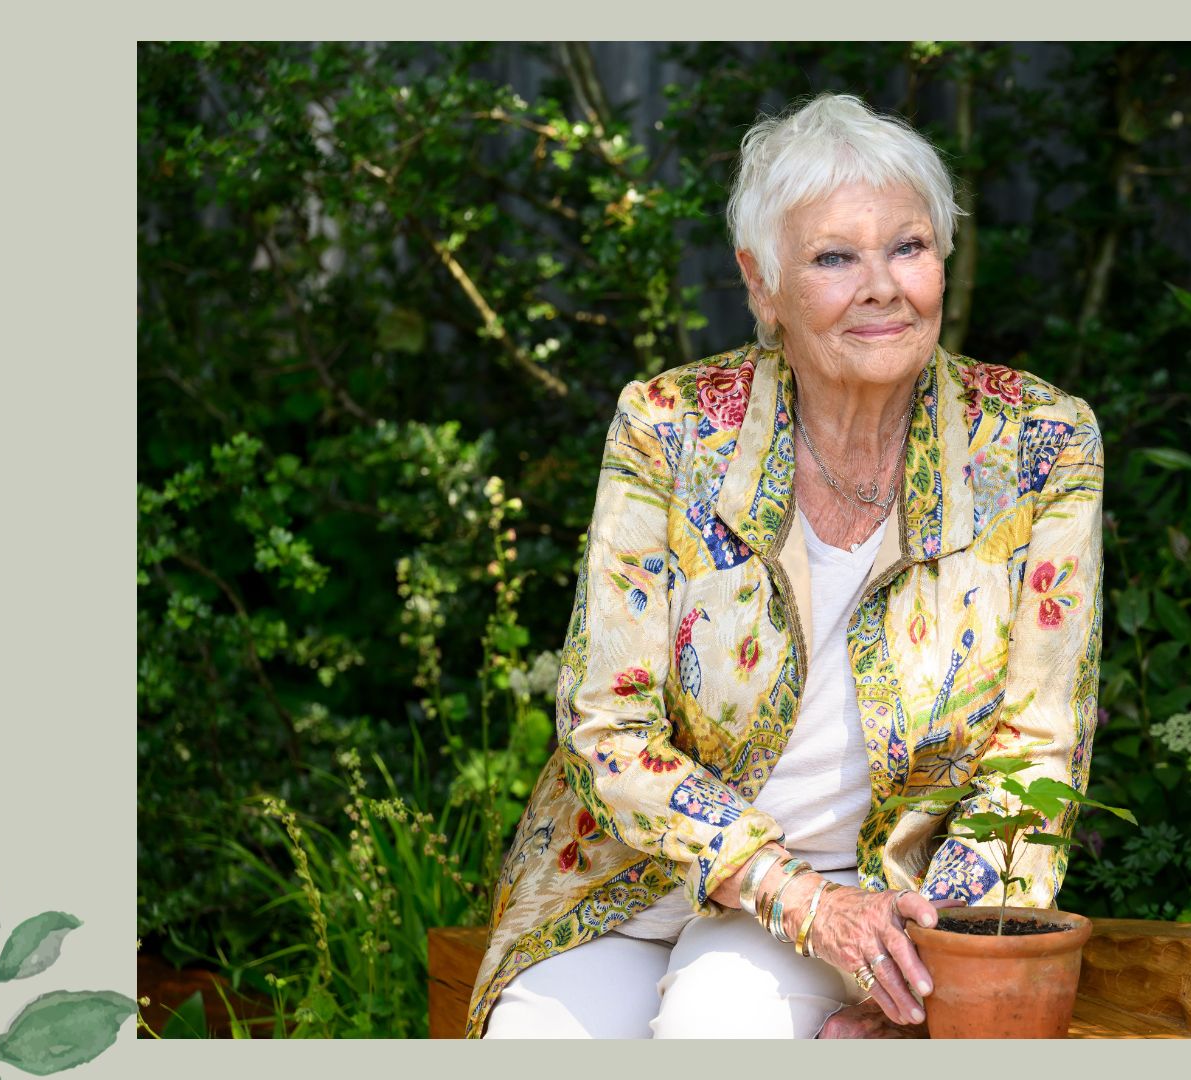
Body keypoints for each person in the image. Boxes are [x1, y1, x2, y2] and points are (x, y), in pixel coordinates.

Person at [468, 91, 1105, 1039]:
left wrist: (938, 975)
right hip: (630, 881)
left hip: (873, 903)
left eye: (909, 247)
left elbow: (1035, 751)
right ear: (762, 284)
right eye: (835, 257)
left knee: (717, 1022)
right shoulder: (673, 430)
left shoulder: (1038, 446)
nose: (883, 285)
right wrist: (790, 893)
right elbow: (607, 724)